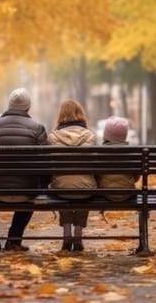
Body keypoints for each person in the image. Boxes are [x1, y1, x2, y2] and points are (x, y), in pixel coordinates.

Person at [0, 87, 48, 252]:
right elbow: (45, 164)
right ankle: (14, 240)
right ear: (28, 107)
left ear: (8, 105)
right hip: (26, 191)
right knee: (35, 186)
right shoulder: (37, 128)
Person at [47, 99, 97, 251]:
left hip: (61, 189)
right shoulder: (90, 136)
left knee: (63, 182)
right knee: (84, 184)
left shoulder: (53, 137)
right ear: (81, 115)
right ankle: (78, 234)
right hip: (86, 190)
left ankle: (67, 232)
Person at [97, 116, 140, 201]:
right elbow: (136, 178)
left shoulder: (100, 153)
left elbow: (96, 175)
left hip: (105, 193)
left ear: (106, 134)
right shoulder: (132, 154)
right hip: (127, 193)